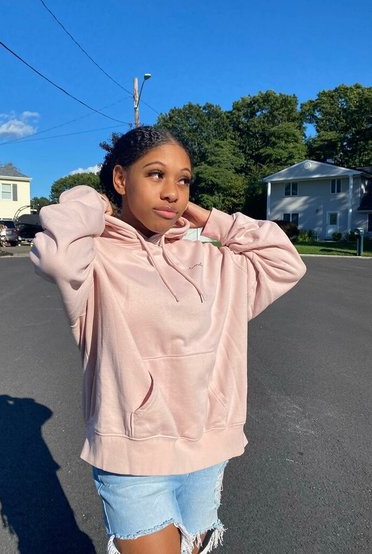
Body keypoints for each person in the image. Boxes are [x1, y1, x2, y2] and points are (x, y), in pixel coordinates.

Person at [30, 126, 306, 554]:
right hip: (132, 456)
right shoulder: (95, 258)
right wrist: (95, 202)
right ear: (121, 178)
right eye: (155, 174)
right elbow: (57, 256)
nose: (173, 192)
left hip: (206, 448)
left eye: (184, 180)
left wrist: (206, 218)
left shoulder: (210, 259)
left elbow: (285, 261)